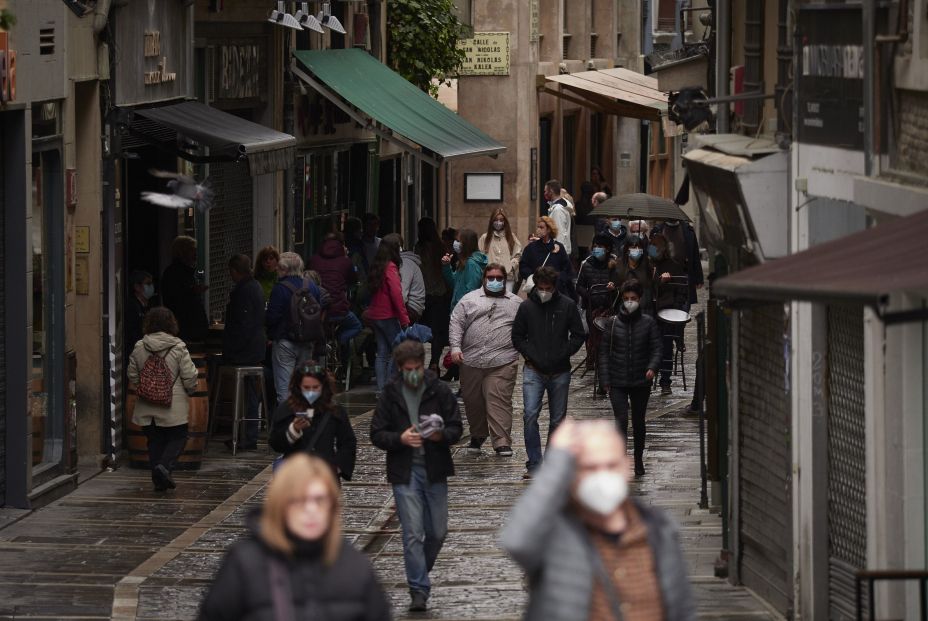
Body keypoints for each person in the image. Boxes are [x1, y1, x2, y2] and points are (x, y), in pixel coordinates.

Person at [499, 420, 695, 621]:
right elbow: (516, 540)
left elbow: (682, 609)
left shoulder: (659, 531)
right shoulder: (554, 535)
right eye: (590, 468)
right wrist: (556, 461)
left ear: (626, 467)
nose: (602, 476)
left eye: (611, 465)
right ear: (572, 475)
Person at [198, 454, 391, 621]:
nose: (311, 510)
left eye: (320, 500)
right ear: (280, 505)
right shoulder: (244, 563)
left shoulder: (355, 565)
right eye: (299, 500)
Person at [369, 340, 463, 612]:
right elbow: (376, 433)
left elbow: (456, 427)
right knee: (412, 533)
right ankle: (418, 589)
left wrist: (439, 435)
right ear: (400, 368)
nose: (414, 372)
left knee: (437, 531)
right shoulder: (390, 394)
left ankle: (420, 568)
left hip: (435, 469)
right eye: (408, 369)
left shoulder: (439, 390)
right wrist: (399, 438)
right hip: (405, 471)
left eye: (418, 368)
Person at [511, 266, 585, 479]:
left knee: (557, 420)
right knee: (530, 415)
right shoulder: (526, 308)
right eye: (541, 287)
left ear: (554, 287)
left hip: (560, 371)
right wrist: (529, 354)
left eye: (548, 288)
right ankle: (534, 463)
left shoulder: (567, 306)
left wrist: (564, 353)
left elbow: (579, 335)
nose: (544, 291)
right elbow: (517, 336)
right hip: (533, 370)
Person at [449, 263, 523, 457]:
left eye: (499, 278)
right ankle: (478, 435)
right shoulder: (469, 299)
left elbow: (525, 328)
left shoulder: (515, 303)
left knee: (498, 399)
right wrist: (455, 347)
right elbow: (456, 323)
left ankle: (501, 441)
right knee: (473, 401)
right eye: (491, 278)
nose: (495, 281)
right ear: (484, 279)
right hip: (471, 360)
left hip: (503, 361)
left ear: (504, 279)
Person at [127, 307, 198, 491]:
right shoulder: (179, 347)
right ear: (171, 324)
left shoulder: (139, 347)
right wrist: (190, 390)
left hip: (147, 404)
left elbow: (132, 375)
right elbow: (189, 376)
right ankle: (164, 467)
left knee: (154, 440)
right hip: (172, 405)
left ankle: (159, 480)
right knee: (178, 437)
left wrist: (145, 388)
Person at [598, 280, 662, 476]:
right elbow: (603, 353)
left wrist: (651, 367)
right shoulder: (612, 323)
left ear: (640, 299)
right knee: (621, 420)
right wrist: (605, 379)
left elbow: (657, 348)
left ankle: (639, 459)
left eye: (633, 299)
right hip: (617, 380)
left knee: (639, 421)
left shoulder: (648, 323)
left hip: (640, 380)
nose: (629, 302)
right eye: (626, 299)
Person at [269, 363, 357, 481]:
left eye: (315, 387)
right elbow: (275, 443)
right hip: (294, 478)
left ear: (323, 386)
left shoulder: (334, 410)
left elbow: (348, 442)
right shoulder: (287, 409)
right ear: (299, 387)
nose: (311, 391)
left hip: (325, 477)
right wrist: (293, 430)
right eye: (306, 387)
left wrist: (337, 467)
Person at [222, 255, 268, 451]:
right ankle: (246, 434)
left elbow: (244, 324)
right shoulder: (255, 286)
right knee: (250, 393)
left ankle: (247, 436)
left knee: (249, 393)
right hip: (254, 348)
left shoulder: (244, 290)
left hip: (245, 351)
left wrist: (232, 350)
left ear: (234, 271)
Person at [267, 252, 326, 403]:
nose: (277, 271)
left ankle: (288, 424)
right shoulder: (312, 286)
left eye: (279, 268)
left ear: (285, 269)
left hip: (285, 342)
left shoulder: (280, 288)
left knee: (284, 390)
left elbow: (272, 317)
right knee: (304, 387)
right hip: (307, 341)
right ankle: (305, 423)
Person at [365, 236, 410, 392]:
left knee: (382, 352)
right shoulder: (390, 267)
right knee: (397, 349)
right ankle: (390, 385)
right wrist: (404, 318)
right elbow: (396, 294)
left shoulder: (377, 265)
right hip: (388, 315)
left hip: (375, 314)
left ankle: (381, 388)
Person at [308, 232, 363, 351]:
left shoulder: (313, 260)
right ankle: (339, 342)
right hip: (339, 310)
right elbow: (353, 280)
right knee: (357, 326)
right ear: (341, 244)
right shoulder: (345, 261)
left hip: (317, 309)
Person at [650, 232, 689, 396]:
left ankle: (665, 380)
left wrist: (676, 306)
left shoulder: (673, 265)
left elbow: (681, 290)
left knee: (666, 346)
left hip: (667, 311)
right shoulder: (647, 265)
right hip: (649, 310)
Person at [575, 234, 619, 375]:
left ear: (607, 249)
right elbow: (579, 286)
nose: (597, 249)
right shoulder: (586, 264)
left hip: (609, 307)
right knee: (594, 338)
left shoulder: (614, 264)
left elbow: (619, 284)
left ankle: (604, 368)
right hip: (592, 307)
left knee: (606, 340)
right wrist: (589, 296)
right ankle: (594, 361)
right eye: (595, 246)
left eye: (600, 247)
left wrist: (613, 288)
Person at [415, 217, 451, 373]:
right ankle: (434, 363)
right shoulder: (440, 247)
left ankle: (416, 362)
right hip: (439, 293)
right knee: (437, 331)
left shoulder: (419, 247)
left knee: (419, 330)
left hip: (423, 294)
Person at [160, 235, 209, 343]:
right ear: (182, 252)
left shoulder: (188, 273)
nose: (195, 254)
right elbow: (174, 300)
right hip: (185, 330)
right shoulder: (173, 273)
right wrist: (192, 291)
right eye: (192, 250)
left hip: (192, 330)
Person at [519, 216, 574, 300]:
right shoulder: (531, 248)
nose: (538, 230)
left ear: (549, 229)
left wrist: (558, 280)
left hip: (555, 290)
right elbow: (523, 266)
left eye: (541, 227)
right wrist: (532, 277)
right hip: (536, 290)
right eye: (538, 227)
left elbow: (566, 268)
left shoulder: (559, 247)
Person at [442, 228, 488, 311]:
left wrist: (461, 310)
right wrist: (446, 266)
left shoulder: (471, 264)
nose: (455, 243)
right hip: (459, 309)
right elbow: (454, 283)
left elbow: (471, 291)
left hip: (464, 311)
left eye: (458, 241)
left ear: (466, 244)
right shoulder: (463, 262)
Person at [385, 233, 426, 324]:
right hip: (407, 305)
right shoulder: (398, 263)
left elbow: (402, 295)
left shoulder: (405, 264)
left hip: (411, 308)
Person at [478, 208, 523, 291]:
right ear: (492, 220)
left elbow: (518, 255)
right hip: (490, 277)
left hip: (507, 278)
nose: (498, 222)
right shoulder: (484, 238)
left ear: (505, 221)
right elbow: (480, 256)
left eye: (501, 220)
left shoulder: (511, 237)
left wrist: (511, 267)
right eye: (496, 219)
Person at [614, 234, 656, 316]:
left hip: (644, 311)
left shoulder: (648, 265)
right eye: (633, 247)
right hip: (624, 309)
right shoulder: (619, 265)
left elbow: (652, 286)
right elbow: (616, 287)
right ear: (627, 250)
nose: (636, 250)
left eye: (639, 247)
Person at [125, 269, 155, 360]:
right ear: (137, 287)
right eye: (148, 284)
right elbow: (133, 333)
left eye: (152, 283)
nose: (151, 287)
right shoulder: (131, 306)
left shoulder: (149, 306)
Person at [544, 179, 573, 255]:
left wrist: (557, 253)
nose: (545, 193)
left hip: (558, 252)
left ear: (551, 191)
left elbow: (559, 233)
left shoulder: (558, 210)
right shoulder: (556, 207)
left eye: (546, 191)